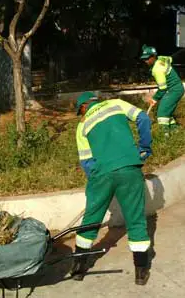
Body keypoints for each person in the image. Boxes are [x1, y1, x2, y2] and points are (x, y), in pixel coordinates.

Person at [71, 91, 153, 285]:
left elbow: (87, 163)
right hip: (129, 168)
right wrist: (144, 148)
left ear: (84, 107)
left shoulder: (82, 126)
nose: (81, 114)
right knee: (135, 218)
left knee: (91, 218)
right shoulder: (116, 104)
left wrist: (97, 186)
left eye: (80, 110)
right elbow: (143, 118)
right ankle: (141, 272)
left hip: (102, 174)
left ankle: (78, 269)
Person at [140, 45, 185, 134]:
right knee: (167, 111)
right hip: (176, 88)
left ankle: (164, 136)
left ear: (153, 57)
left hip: (173, 90)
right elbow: (170, 59)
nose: (146, 61)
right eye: (144, 59)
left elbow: (162, 89)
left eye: (148, 58)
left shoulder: (157, 70)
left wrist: (154, 98)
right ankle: (175, 131)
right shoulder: (161, 58)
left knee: (162, 113)